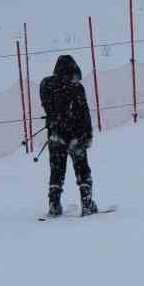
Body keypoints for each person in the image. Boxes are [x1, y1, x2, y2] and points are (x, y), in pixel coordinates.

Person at [39, 54, 97, 216]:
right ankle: (87, 203)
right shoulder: (77, 88)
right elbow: (84, 113)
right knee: (82, 169)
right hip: (76, 135)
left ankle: (54, 204)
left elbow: (47, 106)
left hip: (56, 134)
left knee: (56, 170)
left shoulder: (46, 85)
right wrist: (88, 134)